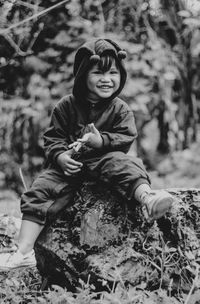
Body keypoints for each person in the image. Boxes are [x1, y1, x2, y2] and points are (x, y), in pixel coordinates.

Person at [0, 38, 174, 270]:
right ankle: (23, 251)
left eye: (113, 72)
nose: (106, 79)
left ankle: (148, 197)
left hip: (105, 161)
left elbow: (126, 137)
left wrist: (101, 140)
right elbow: (53, 139)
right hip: (68, 168)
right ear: (83, 75)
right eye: (98, 73)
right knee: (40, 189)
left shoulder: (120, 108)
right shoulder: (65, 106)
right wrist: (61, 156)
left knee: (127, 165)